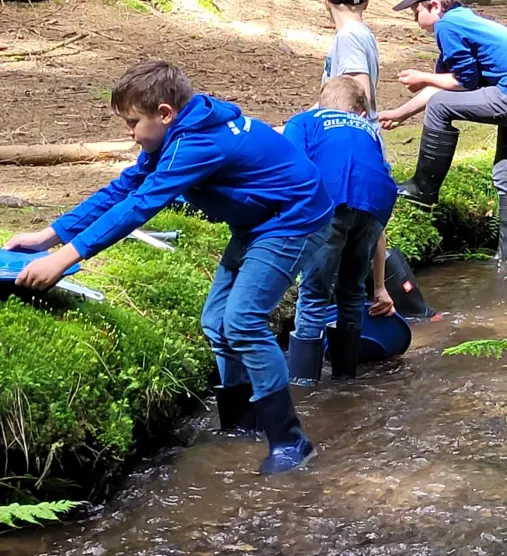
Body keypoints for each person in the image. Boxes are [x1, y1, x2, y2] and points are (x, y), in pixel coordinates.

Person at [2, 61, 332, 474]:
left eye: (133, 122)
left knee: (244, 321)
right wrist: (49, 236)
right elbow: (124, 188)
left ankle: (290, 440)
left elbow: (141, 206)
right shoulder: (175, 136)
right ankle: (244, 421)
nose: (130, 133)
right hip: (260, 220)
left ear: (164, 113)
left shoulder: (197, 144)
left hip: (293, 219)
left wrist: (66, 257)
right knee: (217, 321)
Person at [375, 0, 507, 265]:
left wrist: (421, 76)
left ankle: (423, 188)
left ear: (434, 5)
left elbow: (463, 84)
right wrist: (400, 113)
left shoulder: (448, 26)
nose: (413, 18)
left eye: (415, 10)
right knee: (505, 172)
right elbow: (443, 85)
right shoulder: (462, 21)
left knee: (443, 107)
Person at [283, 76, 398, 387]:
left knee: (314, 291)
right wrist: (379, 286)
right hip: (376, 203)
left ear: (321, 103)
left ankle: (303, 382)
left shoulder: (304, 122)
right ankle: (346, 377)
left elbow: (291, 170)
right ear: (360, 111)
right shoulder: (369, 132)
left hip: (330, 199)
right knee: (350, 290)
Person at [322, 0, 380, 118]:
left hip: (349, 138)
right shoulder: (362, 34)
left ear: (326, 2)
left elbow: (356, 101)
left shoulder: (349, 37)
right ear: (367, 2)